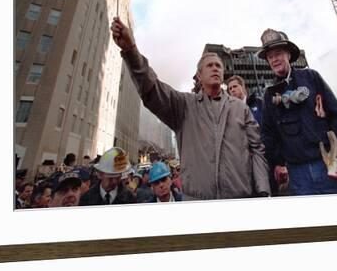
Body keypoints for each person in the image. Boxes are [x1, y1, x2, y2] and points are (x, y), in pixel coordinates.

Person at [111, 17, 270, 201]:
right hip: (197, 205)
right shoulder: (184, 106)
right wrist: (131, 51)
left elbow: (258, 149)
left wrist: (263, 191)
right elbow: (152, 88)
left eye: (218, 65)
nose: (215, 68)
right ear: (199, 76)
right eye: (209, 66)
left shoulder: (240, 109)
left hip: (239, 200)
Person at [257, 28, 337, 196]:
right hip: (299, 176)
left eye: (278, 53)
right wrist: (277, 163)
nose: (274, 59)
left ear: (289, 55)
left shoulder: (311, 77)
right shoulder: (269, 95)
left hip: (331, 165)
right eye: (270, 56)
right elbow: (269, 135)